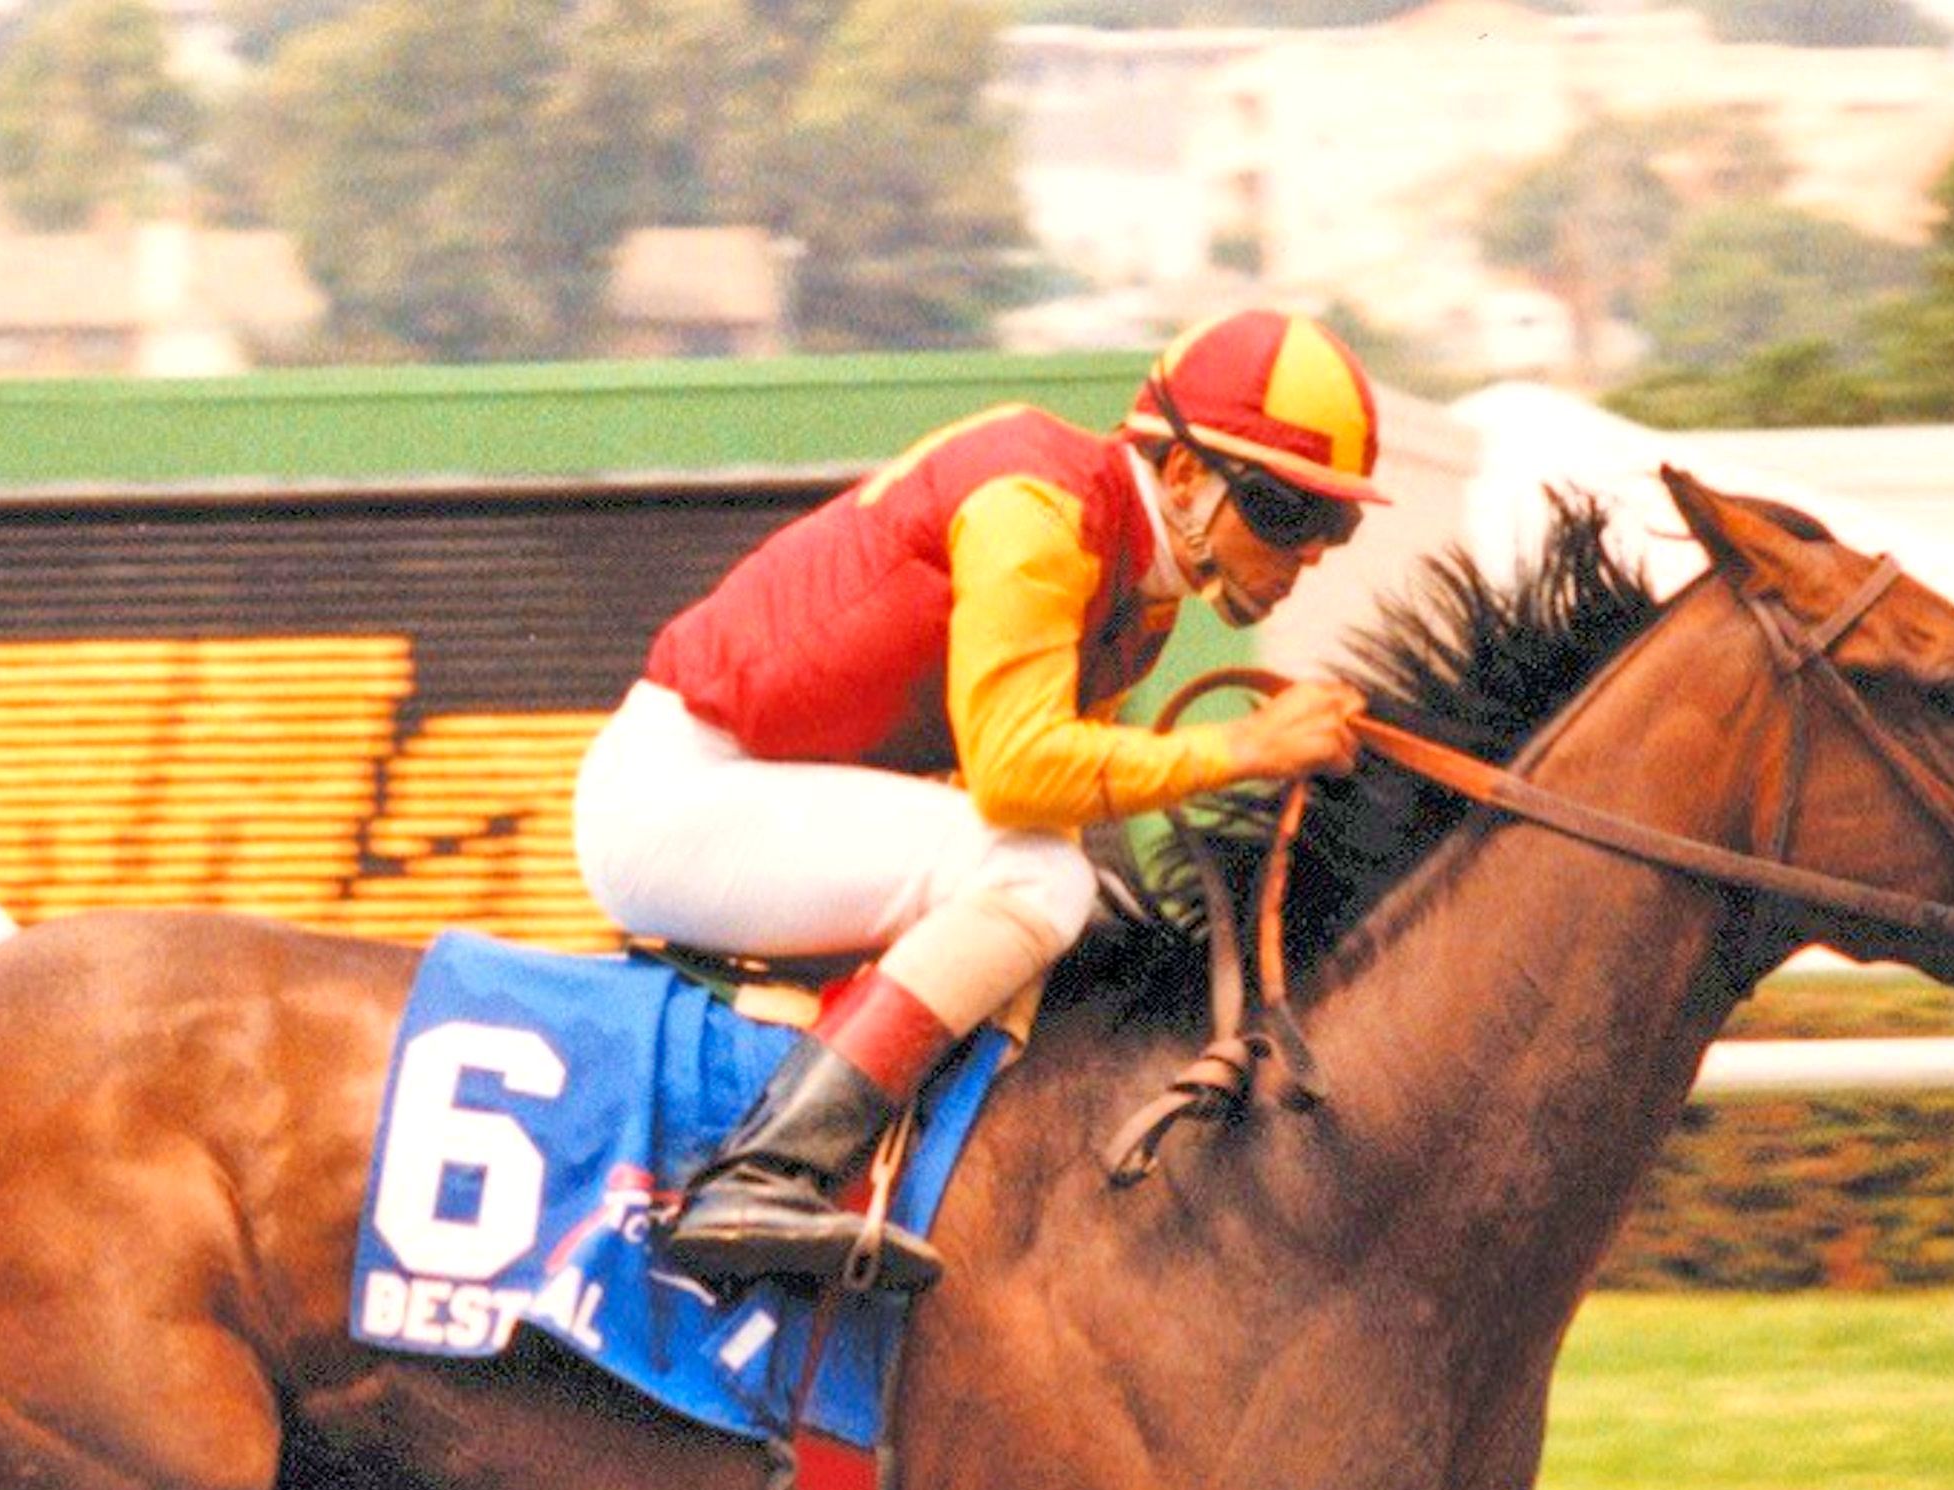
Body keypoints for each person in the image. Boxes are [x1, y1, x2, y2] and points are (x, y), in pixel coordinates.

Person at [574, 308, 1384, 1292]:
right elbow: (1013, 775)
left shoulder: (1144, 590)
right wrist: (1243, 746)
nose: (1305, 555)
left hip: (748, 791)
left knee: (1065, 890)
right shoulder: (1036, 509)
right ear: (1180, 476)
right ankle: (764, 1171)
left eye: (1330, 527)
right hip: (678, 797)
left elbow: (1041, 799)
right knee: (1035, 876)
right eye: (1284, 513)